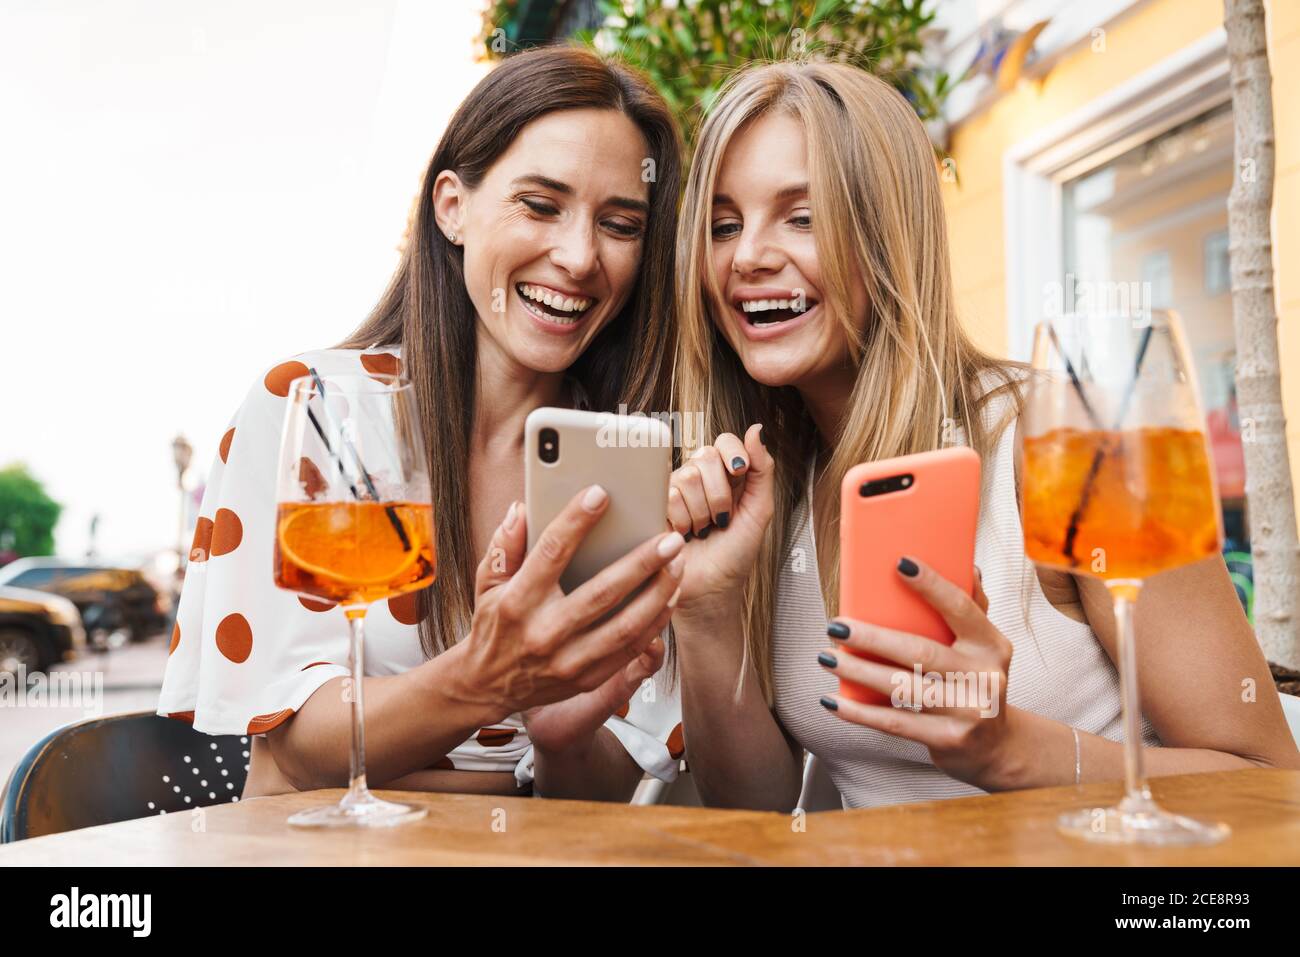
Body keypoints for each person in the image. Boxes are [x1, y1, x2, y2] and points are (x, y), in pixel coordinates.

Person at [666, 61, 1300, 810]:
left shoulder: (1069, 436)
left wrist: (1008, 749)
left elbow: (1271, 784)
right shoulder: (769, 488)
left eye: (802, 217)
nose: (746, 258)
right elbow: (758, 811)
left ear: (886, 234)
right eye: (724, 225)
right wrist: (706, 616)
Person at [158, 46, 686, 802]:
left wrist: (560, 738)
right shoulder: (313, 409)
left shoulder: (626, 462)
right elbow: (302, 745)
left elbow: (599, 790)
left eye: (621, 224)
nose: (578, 256)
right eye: (540, 205)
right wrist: (487, 678)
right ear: (452, 206)